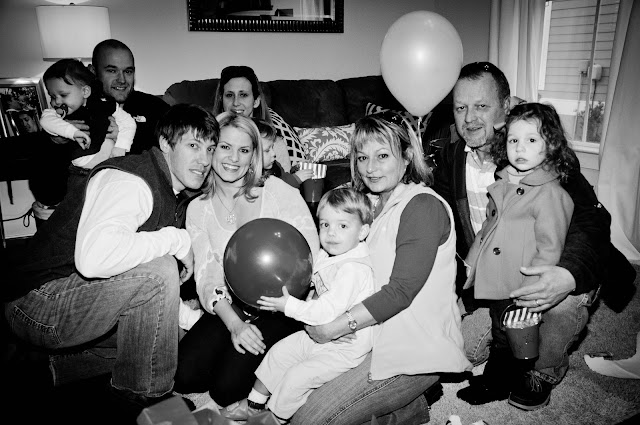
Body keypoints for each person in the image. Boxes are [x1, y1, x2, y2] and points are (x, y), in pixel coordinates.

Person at [3, 104, 219, 414]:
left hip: (67, 300)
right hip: (36, 304)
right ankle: (143, 395)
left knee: (165, 339)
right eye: (194, 145)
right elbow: (95, 260)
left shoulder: (165, 186)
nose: (205, 160)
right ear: (165, 143)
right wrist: (176, 239)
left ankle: (51, 367)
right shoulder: (133, 181)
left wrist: (194, 322)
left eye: (210, 149)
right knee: (159, 270)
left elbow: (148, 294)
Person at [433, 61, 611, 410]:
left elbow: (592, 222)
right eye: (460, 107)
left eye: (481, 106)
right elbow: (446, 223)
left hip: (547, 266)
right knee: (459, 352)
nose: (469, 118)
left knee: (559, 306)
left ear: (505, 106)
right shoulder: (449, 156)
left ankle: (543, 371)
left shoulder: (544, 156)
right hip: (496, 273)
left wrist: (567, 274)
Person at [288, 112, 472, 425]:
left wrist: (335, 327)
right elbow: (337, 266)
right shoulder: (367, 205)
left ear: (408, 156)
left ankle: (409, 399)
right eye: (362, 157)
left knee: (307, 420)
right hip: (365, 337)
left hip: (411, 350)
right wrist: (317, 308)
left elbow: (400, 292)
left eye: (383, 156)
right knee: (286, 390)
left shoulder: (422, 206)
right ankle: (408, 409)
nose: (370, 168)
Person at [173, 112, 320, 407]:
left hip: (284, 306)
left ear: (254, 155)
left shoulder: (278, 192)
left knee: (225, 390)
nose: (234, 158)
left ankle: (288, 356)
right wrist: (234, 325)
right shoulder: (198, 208)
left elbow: (310, 256)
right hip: (232, 304)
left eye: (244, 150)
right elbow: (207, 274)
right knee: (185, 376)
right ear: (212, 149)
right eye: (225, 147)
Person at [221, 187, 376, 422]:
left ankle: (275, 418)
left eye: (343, 226)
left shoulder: (353, 269)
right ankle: (254, 403)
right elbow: (313, 284)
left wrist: (289, 306)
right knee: (279, 353)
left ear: (362, 231)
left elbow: (325, 312)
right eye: (325, 224)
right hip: (322, 332)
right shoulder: (329, 254)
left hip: (345, 347)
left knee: (297, 378)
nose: (331, 233)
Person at [463, 103, 578, 410]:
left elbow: (550, 248)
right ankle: (496, 377)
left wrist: (532, 292)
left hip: (520, 284)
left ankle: (497, 384)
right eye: (513, 140)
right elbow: (487, 230)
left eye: (531, 140)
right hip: (497, 277)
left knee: (508, 336)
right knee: (498, 328)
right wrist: (470, 264)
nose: (520, 148)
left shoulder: (551, 194)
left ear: (550, 145)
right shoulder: (505, 181)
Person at [40, 58, 136, 193]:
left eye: (63, 95)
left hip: (109, 166)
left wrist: (120, 147)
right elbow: (46, 120)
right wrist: (71, 132)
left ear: (85, 91)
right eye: (52, 96)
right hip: (80, 172)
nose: (56, 102)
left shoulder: (104, 105)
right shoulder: (57, 114)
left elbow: (128, 122)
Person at [88, 39, 170, 154]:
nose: (122, 80)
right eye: (112, 71)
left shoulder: (156, 108)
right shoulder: (78, 106)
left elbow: (174, 150)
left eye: (128, 72)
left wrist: (123, 139)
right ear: (93, 72)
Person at [213, 65, 292, 172]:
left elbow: (287, 181)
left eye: (243, 95)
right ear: (221, 99)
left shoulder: (274, 144)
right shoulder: (211, 138)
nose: (236, 103)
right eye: (229, 95)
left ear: (256, 101)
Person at [255, 118, 313, 188]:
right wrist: (296, 179)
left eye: (272, 147)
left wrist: (294, 170)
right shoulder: (251, 178)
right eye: (267, 150)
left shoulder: (275, 165)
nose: (274, 153)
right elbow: (278, 190)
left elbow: (284, 177)